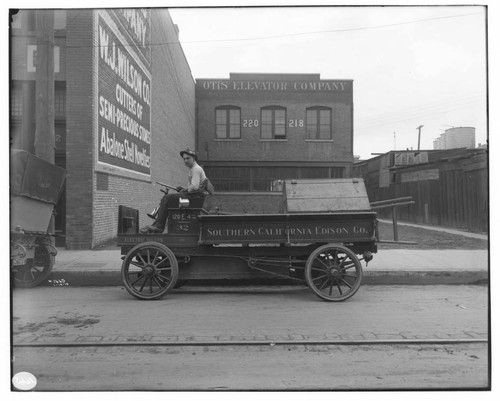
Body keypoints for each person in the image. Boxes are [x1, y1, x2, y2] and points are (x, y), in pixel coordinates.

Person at [140, 148, 209, 234]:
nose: (185, 160)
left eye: (188, 158)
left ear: (194, 158)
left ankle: (158, 226)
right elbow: (194, 188)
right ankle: (157, 225)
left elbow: (195, 187)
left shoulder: (196, 169)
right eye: (184, 159)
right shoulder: (193, 169)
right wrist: (184, 190)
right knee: (170, 200)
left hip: (192, 202)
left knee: (167, 199)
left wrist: (185, 190)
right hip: (194, 200)